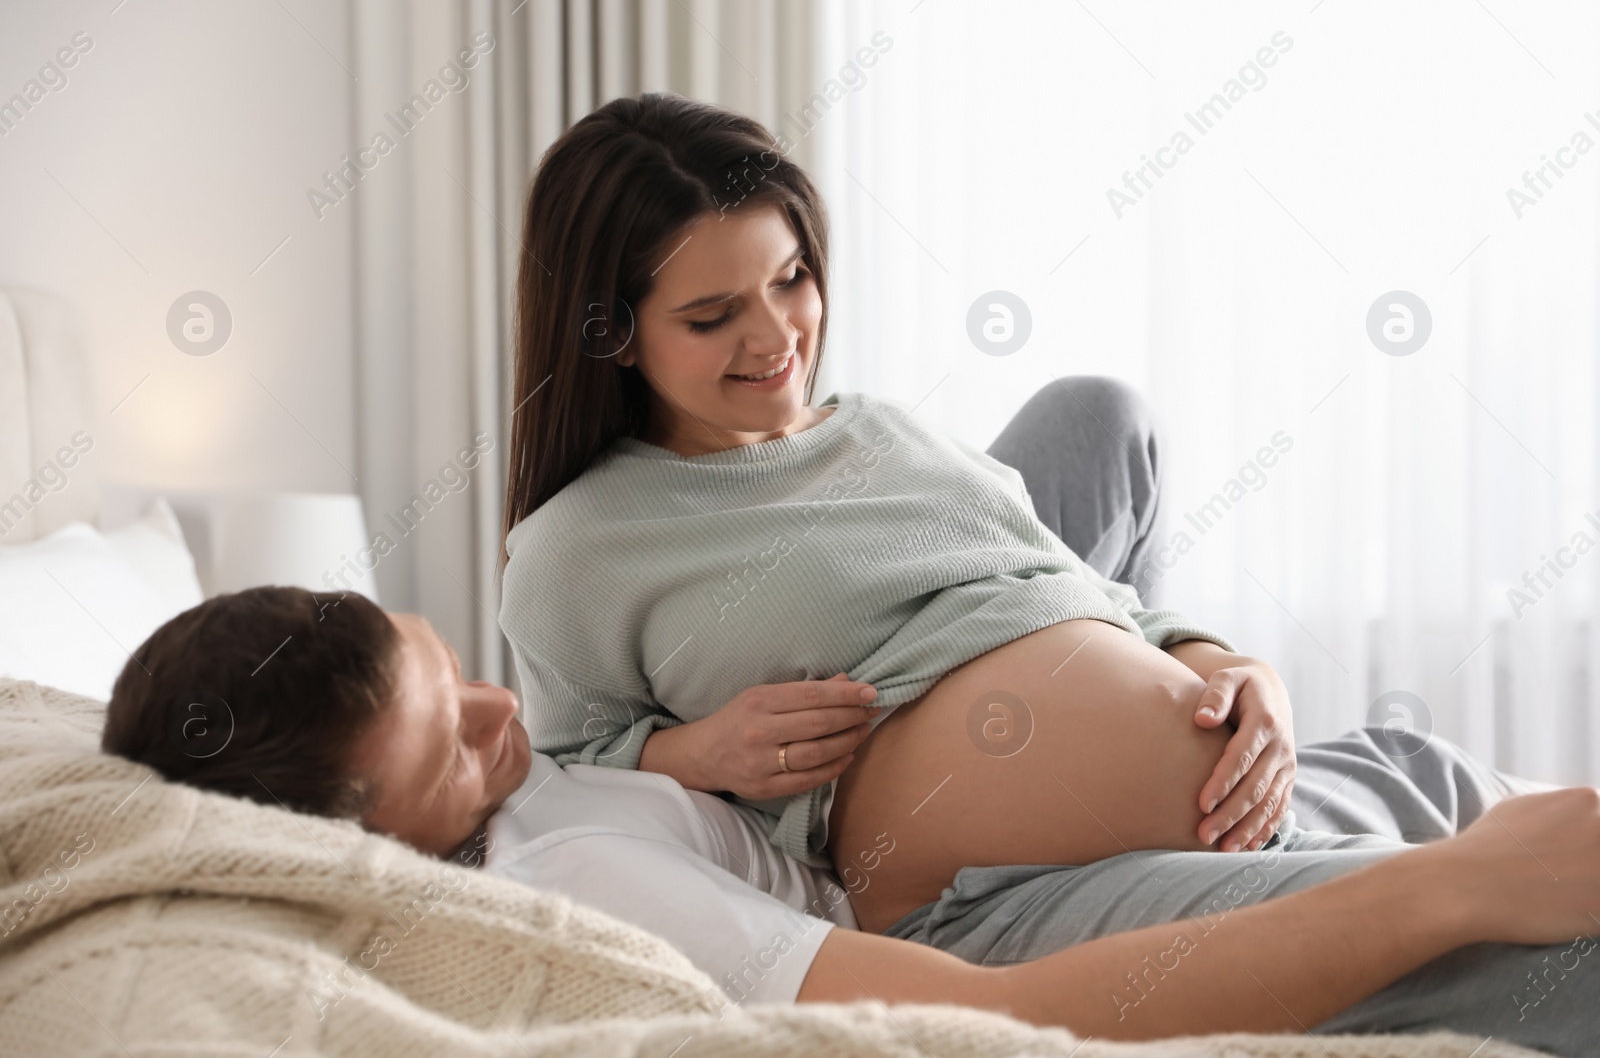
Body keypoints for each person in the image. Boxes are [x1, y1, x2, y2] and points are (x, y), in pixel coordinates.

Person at [100, 587, 1600, 1055]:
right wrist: (1446, 892)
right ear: (365, 841)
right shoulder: (587, 878)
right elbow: (1006, 1010)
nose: (501, 714)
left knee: (1084, 435)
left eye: (454, 668)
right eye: (449, 747)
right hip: (958, 911)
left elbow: (535, 731)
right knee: (1547, 942)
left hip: (890, 814)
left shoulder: (524, 762)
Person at [500, 91, 1301, 933]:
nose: (777, 339)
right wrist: (694, 753)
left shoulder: (883, 427)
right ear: (612, 334)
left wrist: (1234, 669)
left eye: (791, 280)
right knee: (1435, 921)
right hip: (986, 899)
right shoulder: (579, 547)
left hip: (1210, 826)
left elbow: (1079, 593)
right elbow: (558, 768)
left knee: (1423, 785)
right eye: (712, 316)